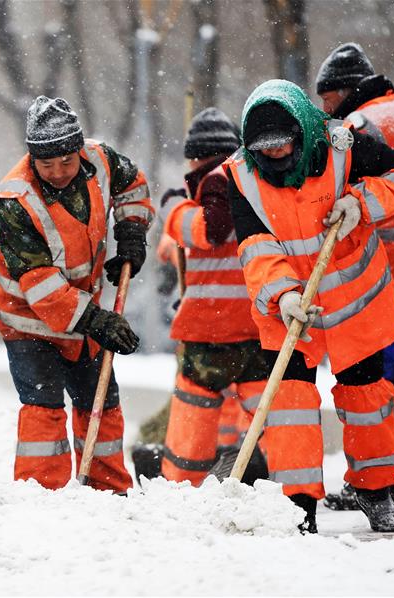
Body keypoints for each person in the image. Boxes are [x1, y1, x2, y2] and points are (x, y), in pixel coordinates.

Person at [224, 79, 394, 533]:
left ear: (302, 132)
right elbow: (255, 246)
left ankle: (375, 492)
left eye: (282, 145)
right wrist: (284, 294)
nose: (273, 156)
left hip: (356, 303)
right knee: (289, 403)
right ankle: (298, 507)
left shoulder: (342, 144)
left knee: (366, 399)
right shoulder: (241, 174)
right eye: (263, 149)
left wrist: (359, 203)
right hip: (290, 307)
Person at [0, 95, 153, 493]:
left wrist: (131, 233)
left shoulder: (100, 160)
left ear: (79, 149)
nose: (59, 172)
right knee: (43, 407)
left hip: (80, 306)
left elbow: (133, 186)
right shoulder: (14, 202)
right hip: (26, 319)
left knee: (100, 399)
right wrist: (98, 321)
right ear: (32, 160)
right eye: (47, 165)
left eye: (67, 161)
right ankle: (41, 495)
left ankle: (108, 489)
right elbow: (41, 285)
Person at [315, 42, 394, 508]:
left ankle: (377, 483)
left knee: (375, 380)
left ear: (343, 92)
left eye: (326, 101)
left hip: (383, 276)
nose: (325, 110)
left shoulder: (356, 128)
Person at [135, 108, 271, 487]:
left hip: (213, 325)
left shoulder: (216, 179)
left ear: (197, 156)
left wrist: (172, 207)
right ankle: (281, 483)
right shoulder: (253, 179)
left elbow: (211, 230)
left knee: (194, 409)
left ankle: (182, 484)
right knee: (267, 411)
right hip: (256, 322)